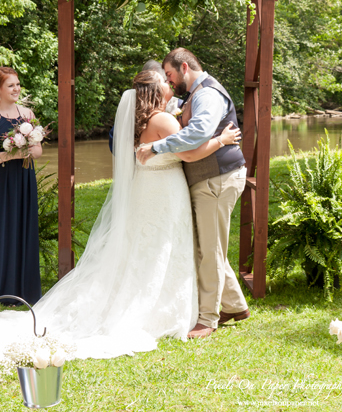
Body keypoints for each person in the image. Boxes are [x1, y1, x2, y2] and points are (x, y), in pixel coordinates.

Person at [0, 70, 240, 359]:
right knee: (163, 246)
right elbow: (189, 154)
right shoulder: (162, 120)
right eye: (165, 82)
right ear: (155, 91)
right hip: (164, 191)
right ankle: (164, 306)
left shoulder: (139, 121)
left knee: (146, 248)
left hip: (148, 190)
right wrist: (223, 139)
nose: (170, 84)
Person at [135, 48, 249, 339]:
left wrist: (158, 147)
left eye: (170, 75)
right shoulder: (194, 95)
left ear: (184, 67)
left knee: (209, 250)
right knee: (209, 247)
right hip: (208, 177)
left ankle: (208, 319)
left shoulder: (207, 95)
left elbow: (198, 133)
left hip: (218, 177)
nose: (169, 82)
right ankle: (235, 305)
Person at [0, 67, 42, 305]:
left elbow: (38, 149)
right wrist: (9, 155)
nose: (16, 89)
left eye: (17, 84)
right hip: (2, 179)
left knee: (22, 226)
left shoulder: (27, 113)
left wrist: (22, 150)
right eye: (10, 85)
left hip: (24, 179)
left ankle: (23, 288)